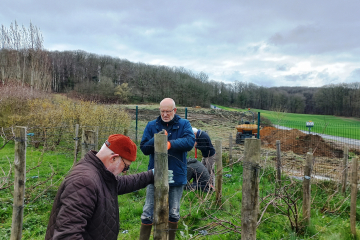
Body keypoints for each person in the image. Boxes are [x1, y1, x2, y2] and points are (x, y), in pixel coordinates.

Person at [45, 134, 157, 240]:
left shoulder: (99, 174)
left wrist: (151, 174)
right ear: (113, 158)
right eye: (125, 167)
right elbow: (67, 236)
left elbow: (122, 183)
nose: (124, 172)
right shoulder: (84, 182)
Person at [139, 98, 195, 240]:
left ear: (174, 111)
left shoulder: (184, 124)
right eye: (162, 111)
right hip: (155, 174)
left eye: (168, 111)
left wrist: (169, 144)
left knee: (174, 213)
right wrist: (158, 139)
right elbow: (144, 148)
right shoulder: (152, 125)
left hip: (176, 175)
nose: (165, 114)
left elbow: (189, 142)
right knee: (147, 212)